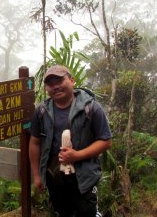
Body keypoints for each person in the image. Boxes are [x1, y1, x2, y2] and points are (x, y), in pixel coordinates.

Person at [29, 65, 113, 217]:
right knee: (62, 212)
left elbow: (106, 140)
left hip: (84, 177)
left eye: (60, 81)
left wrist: (76, 156)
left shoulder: (91, 107)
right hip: (55, 178)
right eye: (50, 83)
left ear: (72, 81)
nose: (55, 87)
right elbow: (35, 142)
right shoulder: (42, 111)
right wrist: (37, 175)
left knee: (87, 212)